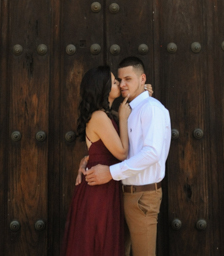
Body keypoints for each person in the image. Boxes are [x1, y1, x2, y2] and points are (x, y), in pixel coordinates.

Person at [85, 57, 171, 256]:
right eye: (119, 80)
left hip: (142, 197)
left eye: (128, 79)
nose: (122, 84)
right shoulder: (127, 110)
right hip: (118, 195)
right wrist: (87, 159)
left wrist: (110, 172)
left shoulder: (151, 108)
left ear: (143, 79)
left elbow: (152, 153)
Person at [62, 65, 131, 256]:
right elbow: (122, 153)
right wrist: (123, 118)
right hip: (99, 189)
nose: (119, 84)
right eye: (114, 82)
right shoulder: (99, 116)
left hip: (105, 184)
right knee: (98, 239)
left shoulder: (106, 115)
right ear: (104, 88)